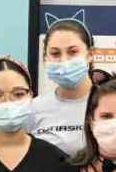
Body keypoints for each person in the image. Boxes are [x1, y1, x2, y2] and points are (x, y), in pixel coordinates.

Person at [32, 17, 94, 156]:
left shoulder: (108, 102)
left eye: (73, 52)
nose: (64, 60)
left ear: (90, 55)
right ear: (45, 58)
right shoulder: (33, 109)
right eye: (55, 53)